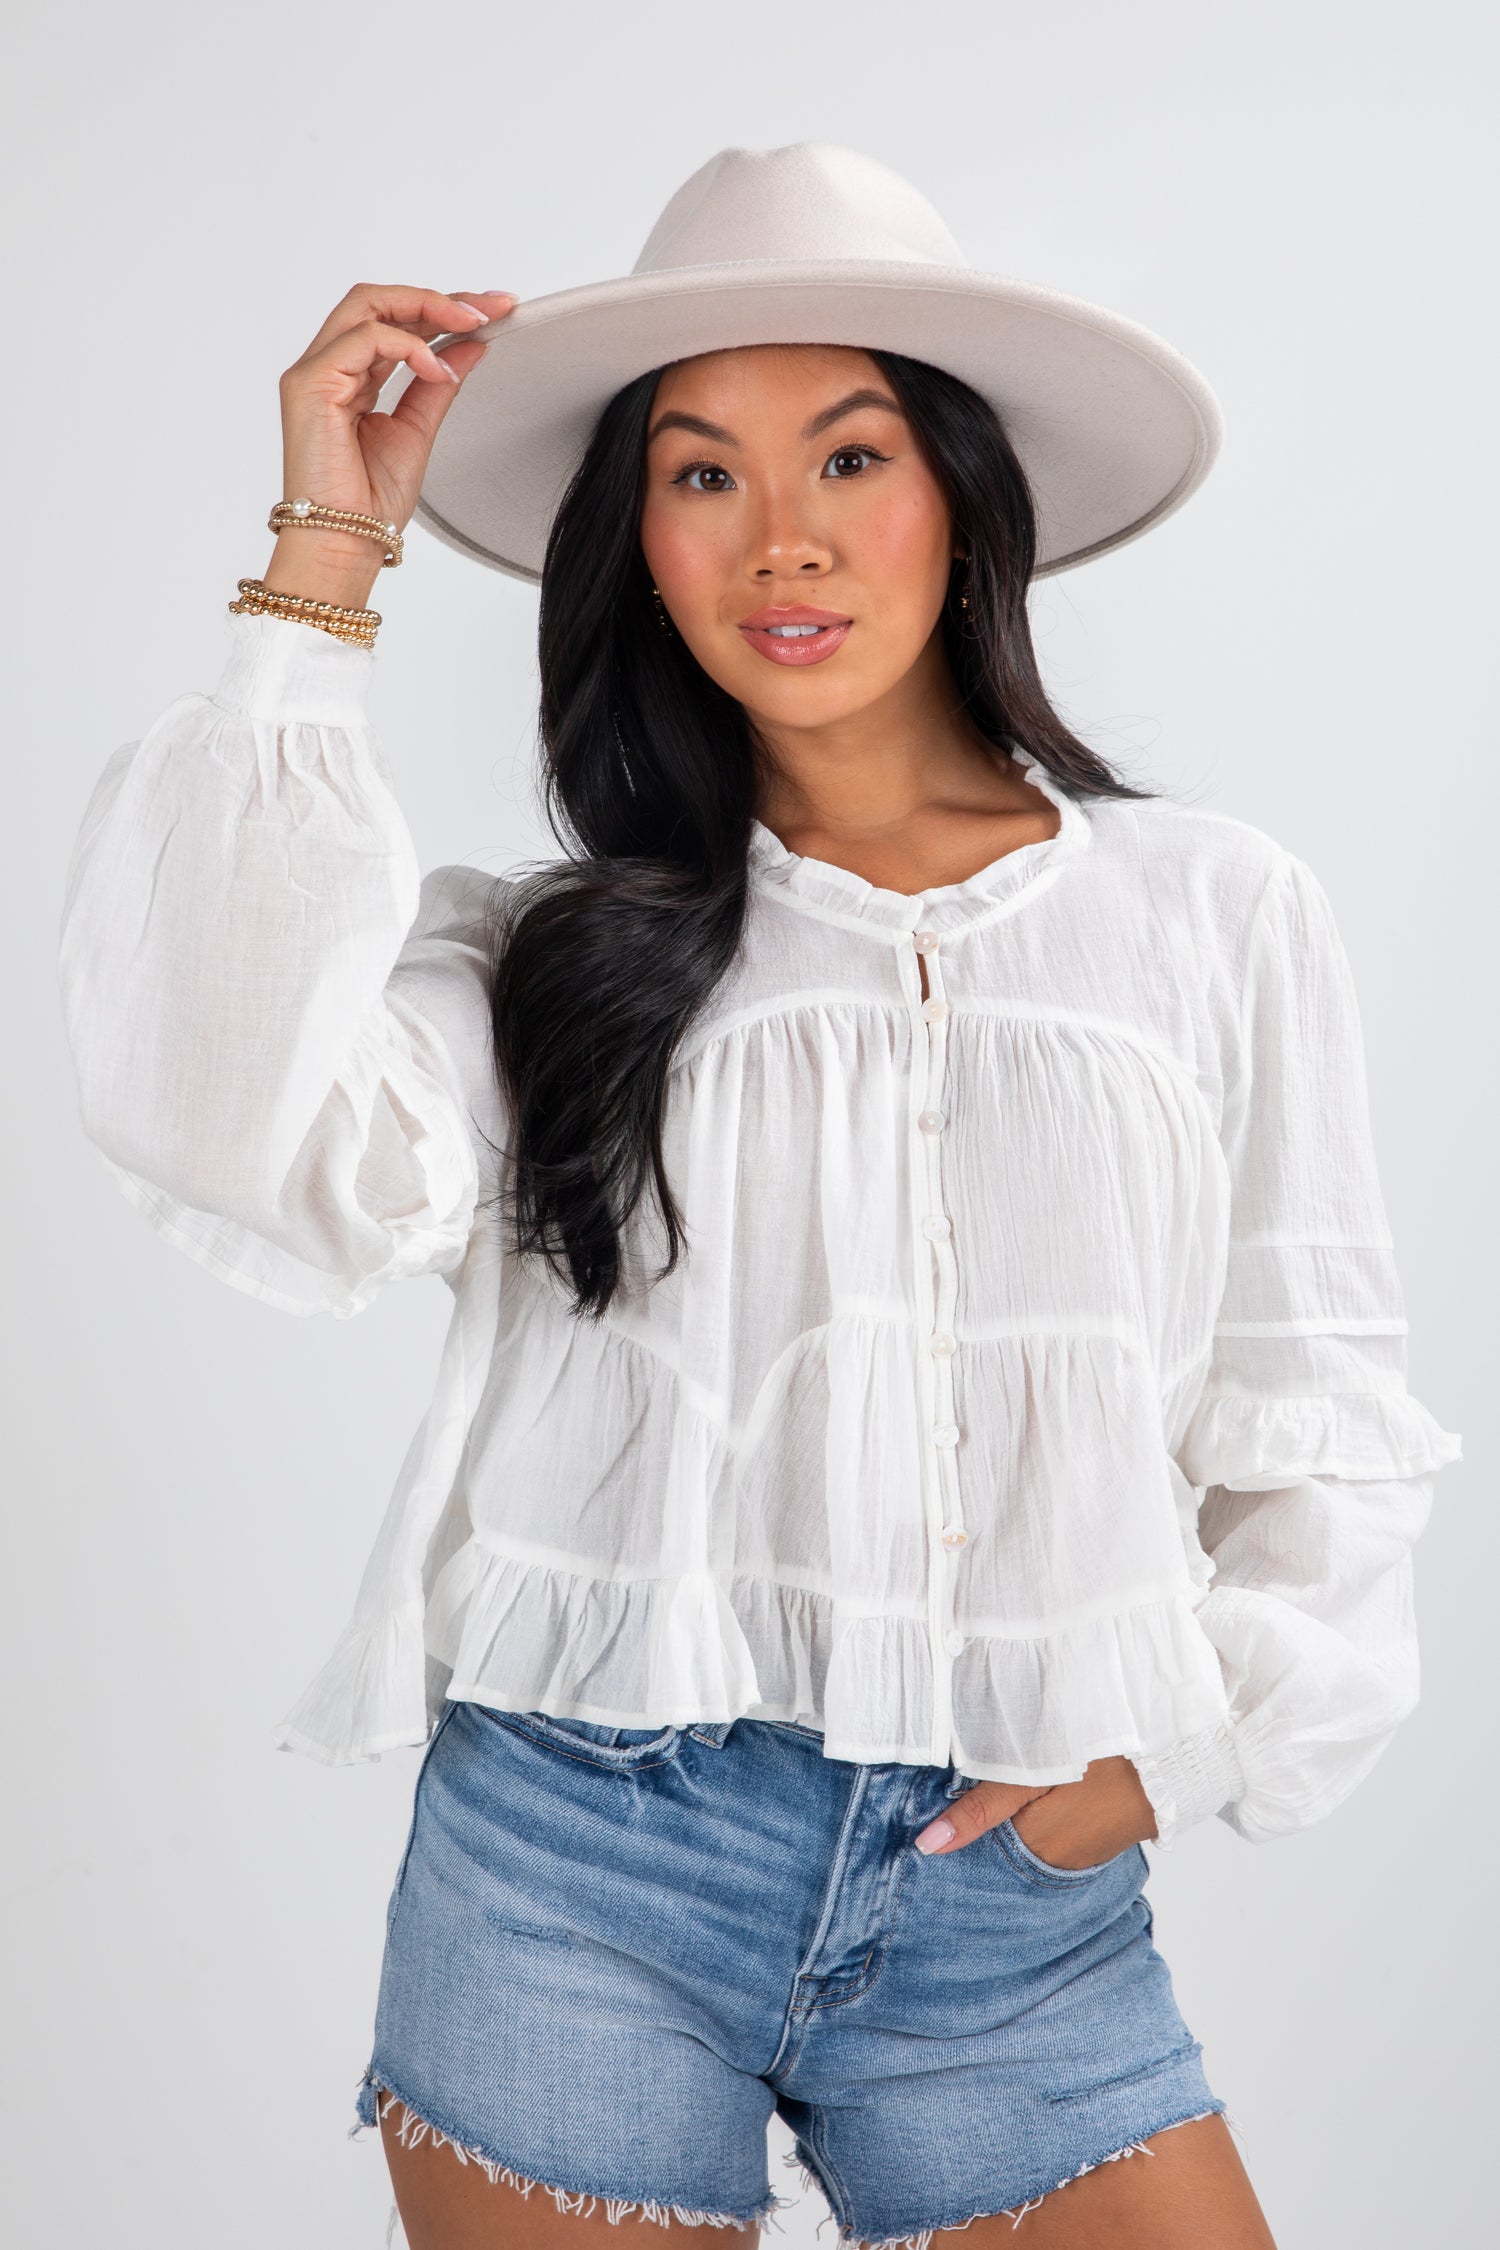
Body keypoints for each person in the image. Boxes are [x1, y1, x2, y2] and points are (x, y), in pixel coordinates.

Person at [58, 144, 1460, 2250]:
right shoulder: (540, 949)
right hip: (571, 1870)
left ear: (964, 497)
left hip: (1019, 1911)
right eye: (701, 473)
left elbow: (1323, 1412)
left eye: (851, 454)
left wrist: (1159, 1766)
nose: (780, 535)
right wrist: (329, 553)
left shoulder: (1213, 915)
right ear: (636, 534)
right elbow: (226, 1116)